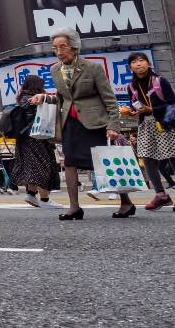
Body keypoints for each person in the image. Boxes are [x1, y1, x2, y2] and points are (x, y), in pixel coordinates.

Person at [33, 28, 135, 220]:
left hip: (95, 123)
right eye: (55, 48)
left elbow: (110, 99)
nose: (59, 51)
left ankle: (126, 202)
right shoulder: (55, 69)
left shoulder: (92, 67)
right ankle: (74, 207)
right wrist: (45, 98)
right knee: (70, 162)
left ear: (74, 46)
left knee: (105, 163)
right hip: (70, 124)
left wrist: (113, 125)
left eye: (63, 46)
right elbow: (64, 98)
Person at [127, 52, 175, 212]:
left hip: (164, 123)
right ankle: (161, 195)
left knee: (174, 159)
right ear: (130, 67)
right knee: (146, 158)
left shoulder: (160, 81)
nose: (138, 64)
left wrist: (152, 109)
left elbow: (173, 103)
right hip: (146, 125)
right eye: (134, 62)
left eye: (141, 60)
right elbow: (135, 104)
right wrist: (133, 111)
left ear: (148, 63)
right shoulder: (131, 86)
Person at [9, 76, 62, 208]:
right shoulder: (35, 99)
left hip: (23, 139)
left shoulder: (21, 98)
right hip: (37, 137)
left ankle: (31, 194)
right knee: (45, 165)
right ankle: (45, 200)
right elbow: (55, 104)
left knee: (31, 166)